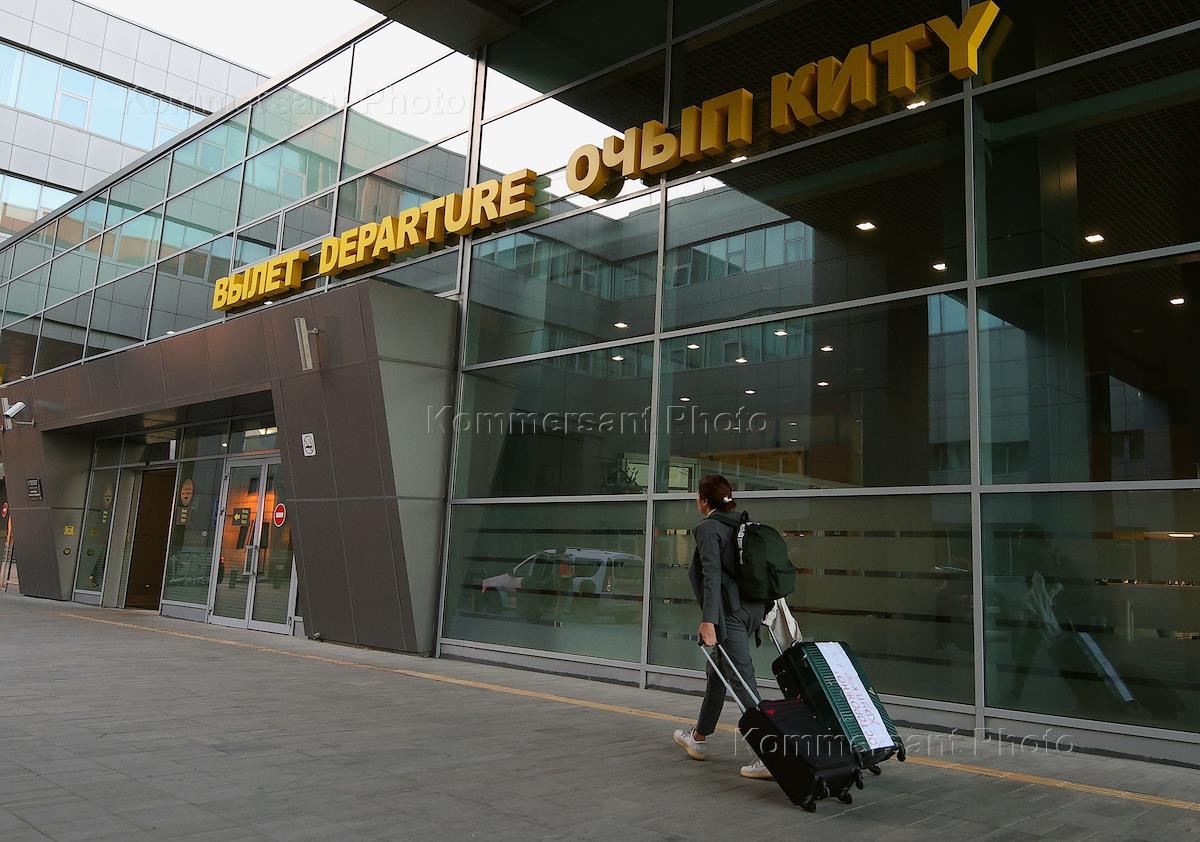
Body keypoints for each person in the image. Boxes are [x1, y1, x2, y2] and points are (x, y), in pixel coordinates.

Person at [672, 474, 772, 780]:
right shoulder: (742, 522)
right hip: (752, 609)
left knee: (741, 680)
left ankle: (770, 754)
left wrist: (708, 620)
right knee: (717, 672)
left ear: (703, 501)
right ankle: (698, 737)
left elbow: (711, 576)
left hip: (729, 615)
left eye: (697, 496)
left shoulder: (708, 528)